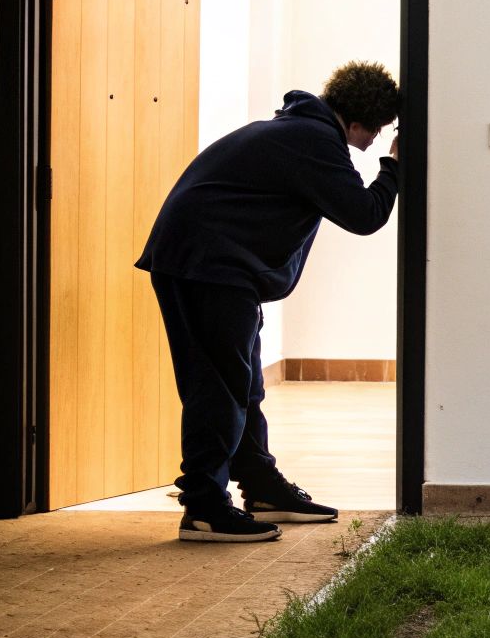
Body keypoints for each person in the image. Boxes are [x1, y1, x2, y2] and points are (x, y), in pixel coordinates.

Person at [136, 61, 402, 542]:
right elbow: (364, 214)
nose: (376, 139)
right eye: (379, 130)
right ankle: (203, 507)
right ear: (360, 121)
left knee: (243, 383)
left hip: (208, 262)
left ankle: (260, 485)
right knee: (219, 387)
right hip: (207, 264)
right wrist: (394, 167)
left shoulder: (300, 130)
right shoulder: (314, 140)